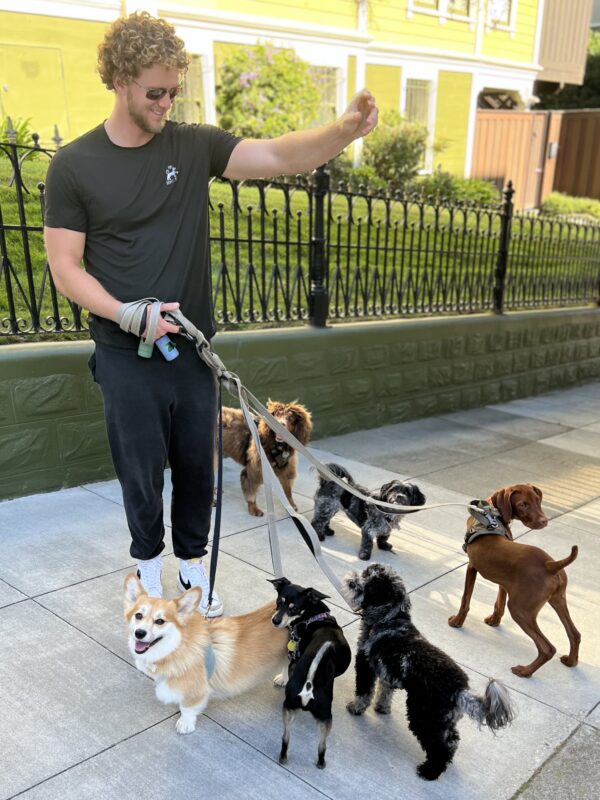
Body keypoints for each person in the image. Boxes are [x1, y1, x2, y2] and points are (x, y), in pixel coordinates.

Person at [43, 11, 378, 614]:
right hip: (126, 355)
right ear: (118, 81)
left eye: (174, 90)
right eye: (154, 92)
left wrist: (343, 132)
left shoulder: (192, 145)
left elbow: (277, 157)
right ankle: (148, 569)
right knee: (141, 474)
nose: (166, 103)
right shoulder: (73, 166)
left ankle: (193, 572)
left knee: (198, 470)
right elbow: (65, 266)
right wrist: (126, 314)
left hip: (191, 355)